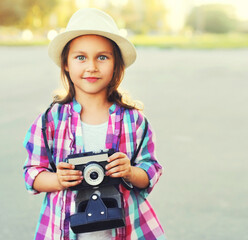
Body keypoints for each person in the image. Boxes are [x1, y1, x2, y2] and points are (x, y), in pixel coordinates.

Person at [23, 8, 165, 240]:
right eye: (81, 57)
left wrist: (129, 171)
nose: (91, 66)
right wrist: (57, 180)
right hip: (64, 231)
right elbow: (32, 174)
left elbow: (151, 170)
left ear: (115, 64)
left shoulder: (134, 120)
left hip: (127, 230)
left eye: (102, 57)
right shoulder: (49, 121)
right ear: (66, 64)